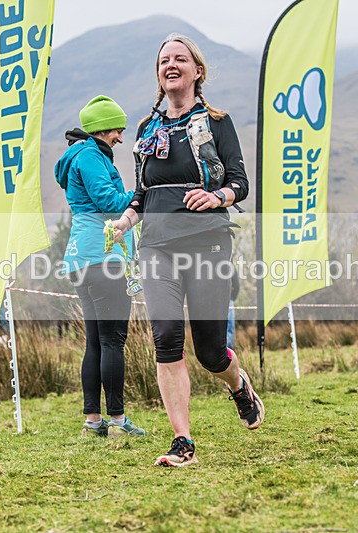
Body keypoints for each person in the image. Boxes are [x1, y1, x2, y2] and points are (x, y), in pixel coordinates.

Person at [110, 34, 264, 466]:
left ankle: (238, 386)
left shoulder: (217, 121)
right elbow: (142, 192)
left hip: (207, 242)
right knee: (166, 338)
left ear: (198, 71)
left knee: (211, 351)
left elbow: (239, 182)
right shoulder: (147, 129)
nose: (171, 65)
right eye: (164, 60)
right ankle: (183, 442)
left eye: (181, 59)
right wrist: (126, 220)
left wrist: (217, 198)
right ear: (158, 74)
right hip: (157, 246)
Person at [55, 95, 146, 439]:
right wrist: (142, 197)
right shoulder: (91, 156)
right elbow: (110, 204)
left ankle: (93, 422)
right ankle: (119, 423)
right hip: (103, 257)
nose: (120, 138)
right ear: (100, 129)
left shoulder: (78, 156)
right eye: (116, 131)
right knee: (112, 343)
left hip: (82, 258)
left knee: (95, 342)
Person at [227, 267, 240, 350]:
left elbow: (236, 285)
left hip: (228, 301)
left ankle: (229, 351)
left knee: (229, 327)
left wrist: (231, 298)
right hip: (227, 300)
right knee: (229, 327)